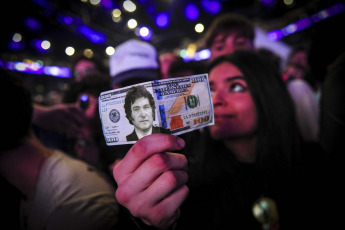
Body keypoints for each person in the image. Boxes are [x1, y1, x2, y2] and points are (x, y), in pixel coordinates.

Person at [112, 51, 330, 229]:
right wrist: (146, 223)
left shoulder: (316, 164)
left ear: (268, 94)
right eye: (211, 89)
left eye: (236, 87)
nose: (216, 100)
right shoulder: (186, 179)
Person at [0, 68, 119, 230]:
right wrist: (40, 114)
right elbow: (14, 108)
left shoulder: (114, 144)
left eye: (99, 106)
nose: (90, 111)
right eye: (84, 102)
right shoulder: (55, 132)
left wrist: (98, 163)